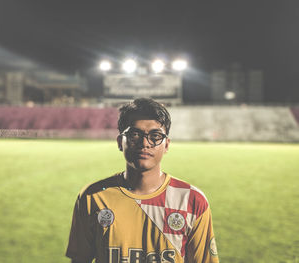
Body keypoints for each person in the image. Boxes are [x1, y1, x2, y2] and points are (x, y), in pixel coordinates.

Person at [66, 98, 219, 263]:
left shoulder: (192, 200)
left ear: (166, 145)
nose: (145, 143)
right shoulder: (93, 197)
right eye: (135, 134)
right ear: (120, 142)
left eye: (155, 136)